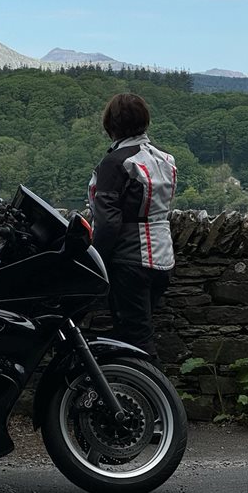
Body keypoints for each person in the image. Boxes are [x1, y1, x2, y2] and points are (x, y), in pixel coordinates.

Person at [88, 92, 176, 366]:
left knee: (135, 341)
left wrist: (93, 260)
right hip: (163, 257)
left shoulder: (115, 163)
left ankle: (154, 401)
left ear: (110, 124)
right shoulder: (165, 159)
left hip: (129, 260)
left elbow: (108, 222)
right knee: (141, 332)